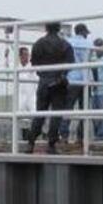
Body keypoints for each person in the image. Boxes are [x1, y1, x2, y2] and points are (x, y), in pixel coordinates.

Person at [26, 22, 75, 154]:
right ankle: (51, 144)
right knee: (56, 114)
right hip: (59, 83)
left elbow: (35, 63)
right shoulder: (65, 44)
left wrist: (43, 75)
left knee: (40, 113)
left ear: (45, 28)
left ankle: (31, 142)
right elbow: (70, 63)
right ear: (59, 29)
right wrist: (61, 75)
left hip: (43, 82)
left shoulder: (38, 43)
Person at [60, 23, 93, 144]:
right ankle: (81, 137)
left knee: (67, 107)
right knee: (84, 109)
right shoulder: (88, 44)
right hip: (85, 79)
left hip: (71, 78)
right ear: (83, 32)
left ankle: (64, 135)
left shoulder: (67, 42)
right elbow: (92, 60)